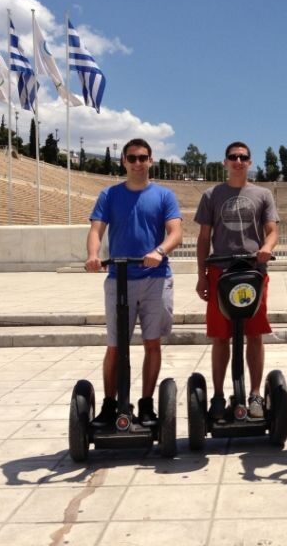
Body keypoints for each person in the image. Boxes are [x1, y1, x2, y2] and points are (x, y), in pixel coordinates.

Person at [85, 138, 183, 427]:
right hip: (120, 277)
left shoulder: (164, 196)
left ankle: (147, 404)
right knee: (116, 346)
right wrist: (93, 255)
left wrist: (159, 251)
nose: (138, 163)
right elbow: (96, 229)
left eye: (143, 158)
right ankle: (109, 404)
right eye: (132, 158)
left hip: (155, 277)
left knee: (152, 343)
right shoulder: (109, 195)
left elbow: (175, 232)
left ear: (151, 161)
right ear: (124, 162)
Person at [195, 141, 279, 420]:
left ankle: (255, 393)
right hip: (221, 271)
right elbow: (204, 237)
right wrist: (201, 276)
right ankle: (219, 396)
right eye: (233, 157)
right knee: (221, 336)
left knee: (255, 334)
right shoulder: (212, 195)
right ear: (225, 162)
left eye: (243, 157)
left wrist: (267, 247)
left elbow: (272, 231)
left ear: (250, 162)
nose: (238, 161)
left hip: (253, 272)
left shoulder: (263, 194)